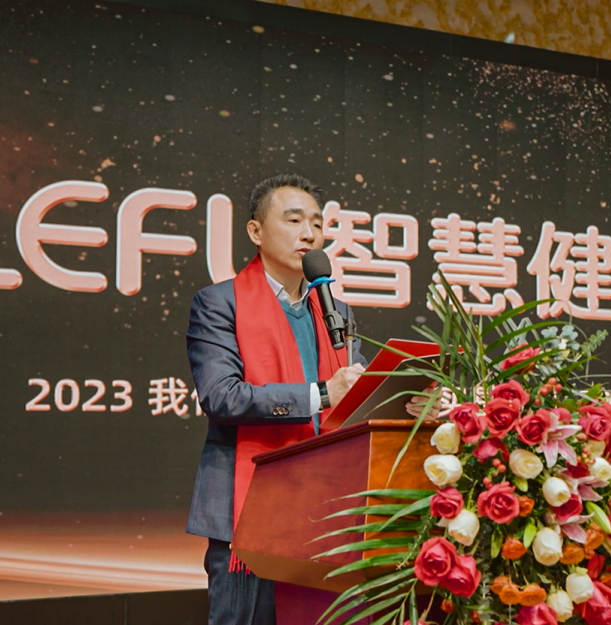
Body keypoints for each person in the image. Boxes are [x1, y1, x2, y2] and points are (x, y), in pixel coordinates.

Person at [186, 174, 438, 625]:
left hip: (327, 510)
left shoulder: (335, 310)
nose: (309, 234)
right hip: (249, 509)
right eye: (294, 220)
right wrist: (321, 393)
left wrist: (407, 402)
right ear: (255, 231)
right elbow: (221, 397)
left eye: (317, 224)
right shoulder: (219, 303)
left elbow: (356, 399)